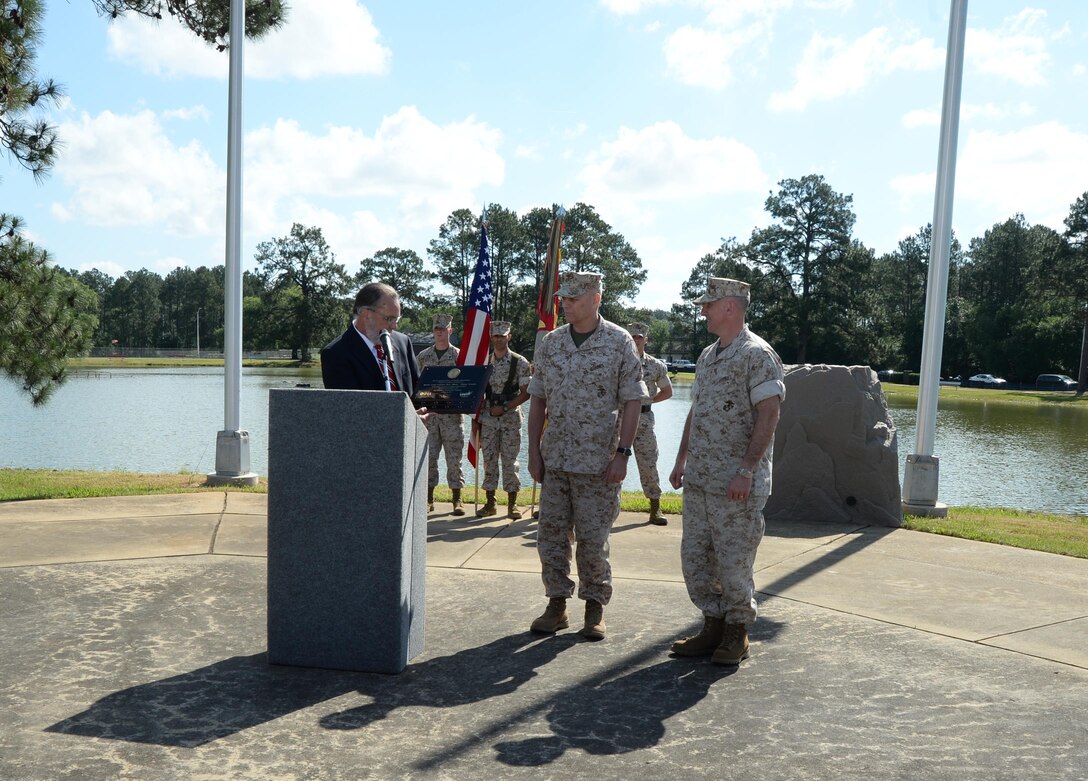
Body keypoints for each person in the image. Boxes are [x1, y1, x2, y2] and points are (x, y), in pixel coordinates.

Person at [668, 277, 785, 666]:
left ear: (730, 307)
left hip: (735, 483)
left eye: (709, 305)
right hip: (701, 478)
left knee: (735, 561)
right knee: (696, 558)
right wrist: (681, 458)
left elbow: (769, 415)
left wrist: (747, 471)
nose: (703, 310)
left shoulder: (757, 355)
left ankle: (737, 632)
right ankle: (712, 626)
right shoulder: (707, 356)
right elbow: (697, 411)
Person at [527, 272, 646, 640]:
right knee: (551, 535)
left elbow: (633, 401)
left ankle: (594, 607)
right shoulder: (552, 343)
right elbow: (538, 398)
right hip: (556, 459)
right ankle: (557, 604)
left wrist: (623, 454)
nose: (565, 304)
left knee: (593, 540)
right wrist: (533, 450)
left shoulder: (618, 341)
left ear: (595, 299)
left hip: (598, 462)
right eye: (563, 298)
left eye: (573, 299)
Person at [320, 282, 422, 400]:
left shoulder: (403, 342)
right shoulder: (336, 354)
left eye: (397, 319)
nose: (394, 326)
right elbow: (347, 408)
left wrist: (422, 410)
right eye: (389, 319)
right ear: (365, 314)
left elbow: (417, 389)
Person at [477, 321, 531, 519]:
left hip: (510, 419)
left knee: (510, 461)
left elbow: (526, 394)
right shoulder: (484, 362)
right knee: (489, 460)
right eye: (495, 336)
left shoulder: (520, 362)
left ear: (509, 336)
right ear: (491, 337)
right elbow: (477, 391)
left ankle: (512, 505)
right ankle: (490, 503)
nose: (499, 339)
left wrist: (506, 407)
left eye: (503, 335)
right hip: (489, 418)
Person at [417, 313, 466, 516]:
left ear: (450, 331)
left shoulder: (459, 356)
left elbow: (466, 385)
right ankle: (428, 498)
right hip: (430, 416)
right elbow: (417, 385)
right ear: (433, 331)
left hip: (452, 417)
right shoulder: (423, 357)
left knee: (454, 459)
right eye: (437, 329)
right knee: (429, 458)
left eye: (443, 329)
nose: (439, 332)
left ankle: (457, 499)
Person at [625, 322, 673, 526]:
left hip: (643, 421)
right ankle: (605, 508)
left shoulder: (656, 365)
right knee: (610, 462)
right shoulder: (618, 361)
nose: (636, 339)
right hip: (619, 419)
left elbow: (667, 391)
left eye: (639, 337)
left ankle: (655, 507)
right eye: (633, 336)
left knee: (648, 463)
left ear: (646, 340)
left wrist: (648, 402)